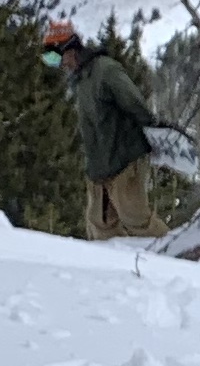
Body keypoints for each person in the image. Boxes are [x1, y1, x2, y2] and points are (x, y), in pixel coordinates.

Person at [40, 16, 157, 238]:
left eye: (54, 57)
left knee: (138, 222)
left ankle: (174, 255)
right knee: (100, 226)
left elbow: (136, 104)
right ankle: (111, 261)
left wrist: (153, 134)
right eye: (49, 60)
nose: (58, 65)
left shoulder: (105, 71)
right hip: (98, 167)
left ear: (69, 49)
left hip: (124, 159)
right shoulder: (80, 81)